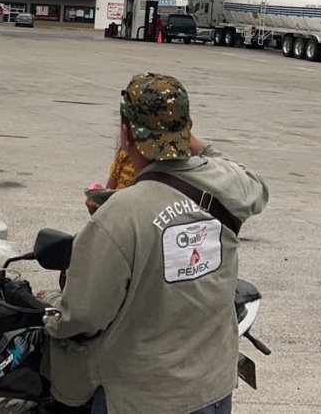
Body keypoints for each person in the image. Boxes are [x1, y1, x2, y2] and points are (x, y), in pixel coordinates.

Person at [45, 72, 268, 414]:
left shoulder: (119, 214)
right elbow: (253, 183)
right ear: (188, 126)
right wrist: (182, 134)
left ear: (126, 133)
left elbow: (82, 316)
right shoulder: (231, 184)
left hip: (142, 398)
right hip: (213, 388)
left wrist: (50, 309)